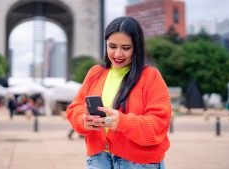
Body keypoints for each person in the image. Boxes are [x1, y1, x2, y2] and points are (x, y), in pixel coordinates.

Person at [67, 16, 171, 169]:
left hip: (138, 163)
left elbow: (159, 124)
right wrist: (84, 120)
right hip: (98, 160)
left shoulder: (150, 76)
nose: (118, 54)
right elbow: (73, 110)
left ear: (137, 47)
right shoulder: (95, 74)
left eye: (126, 48)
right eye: (112, 46)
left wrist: (122, 122)